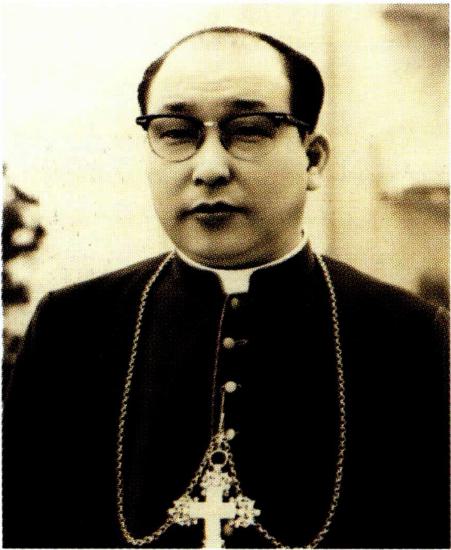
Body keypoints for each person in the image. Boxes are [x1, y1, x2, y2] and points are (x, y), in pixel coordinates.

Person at [3, 27, 449, 549]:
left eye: (251, 130)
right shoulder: (72, 325)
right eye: (176, 132)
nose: (210, 169)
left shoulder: (411, 336)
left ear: (312, 159)